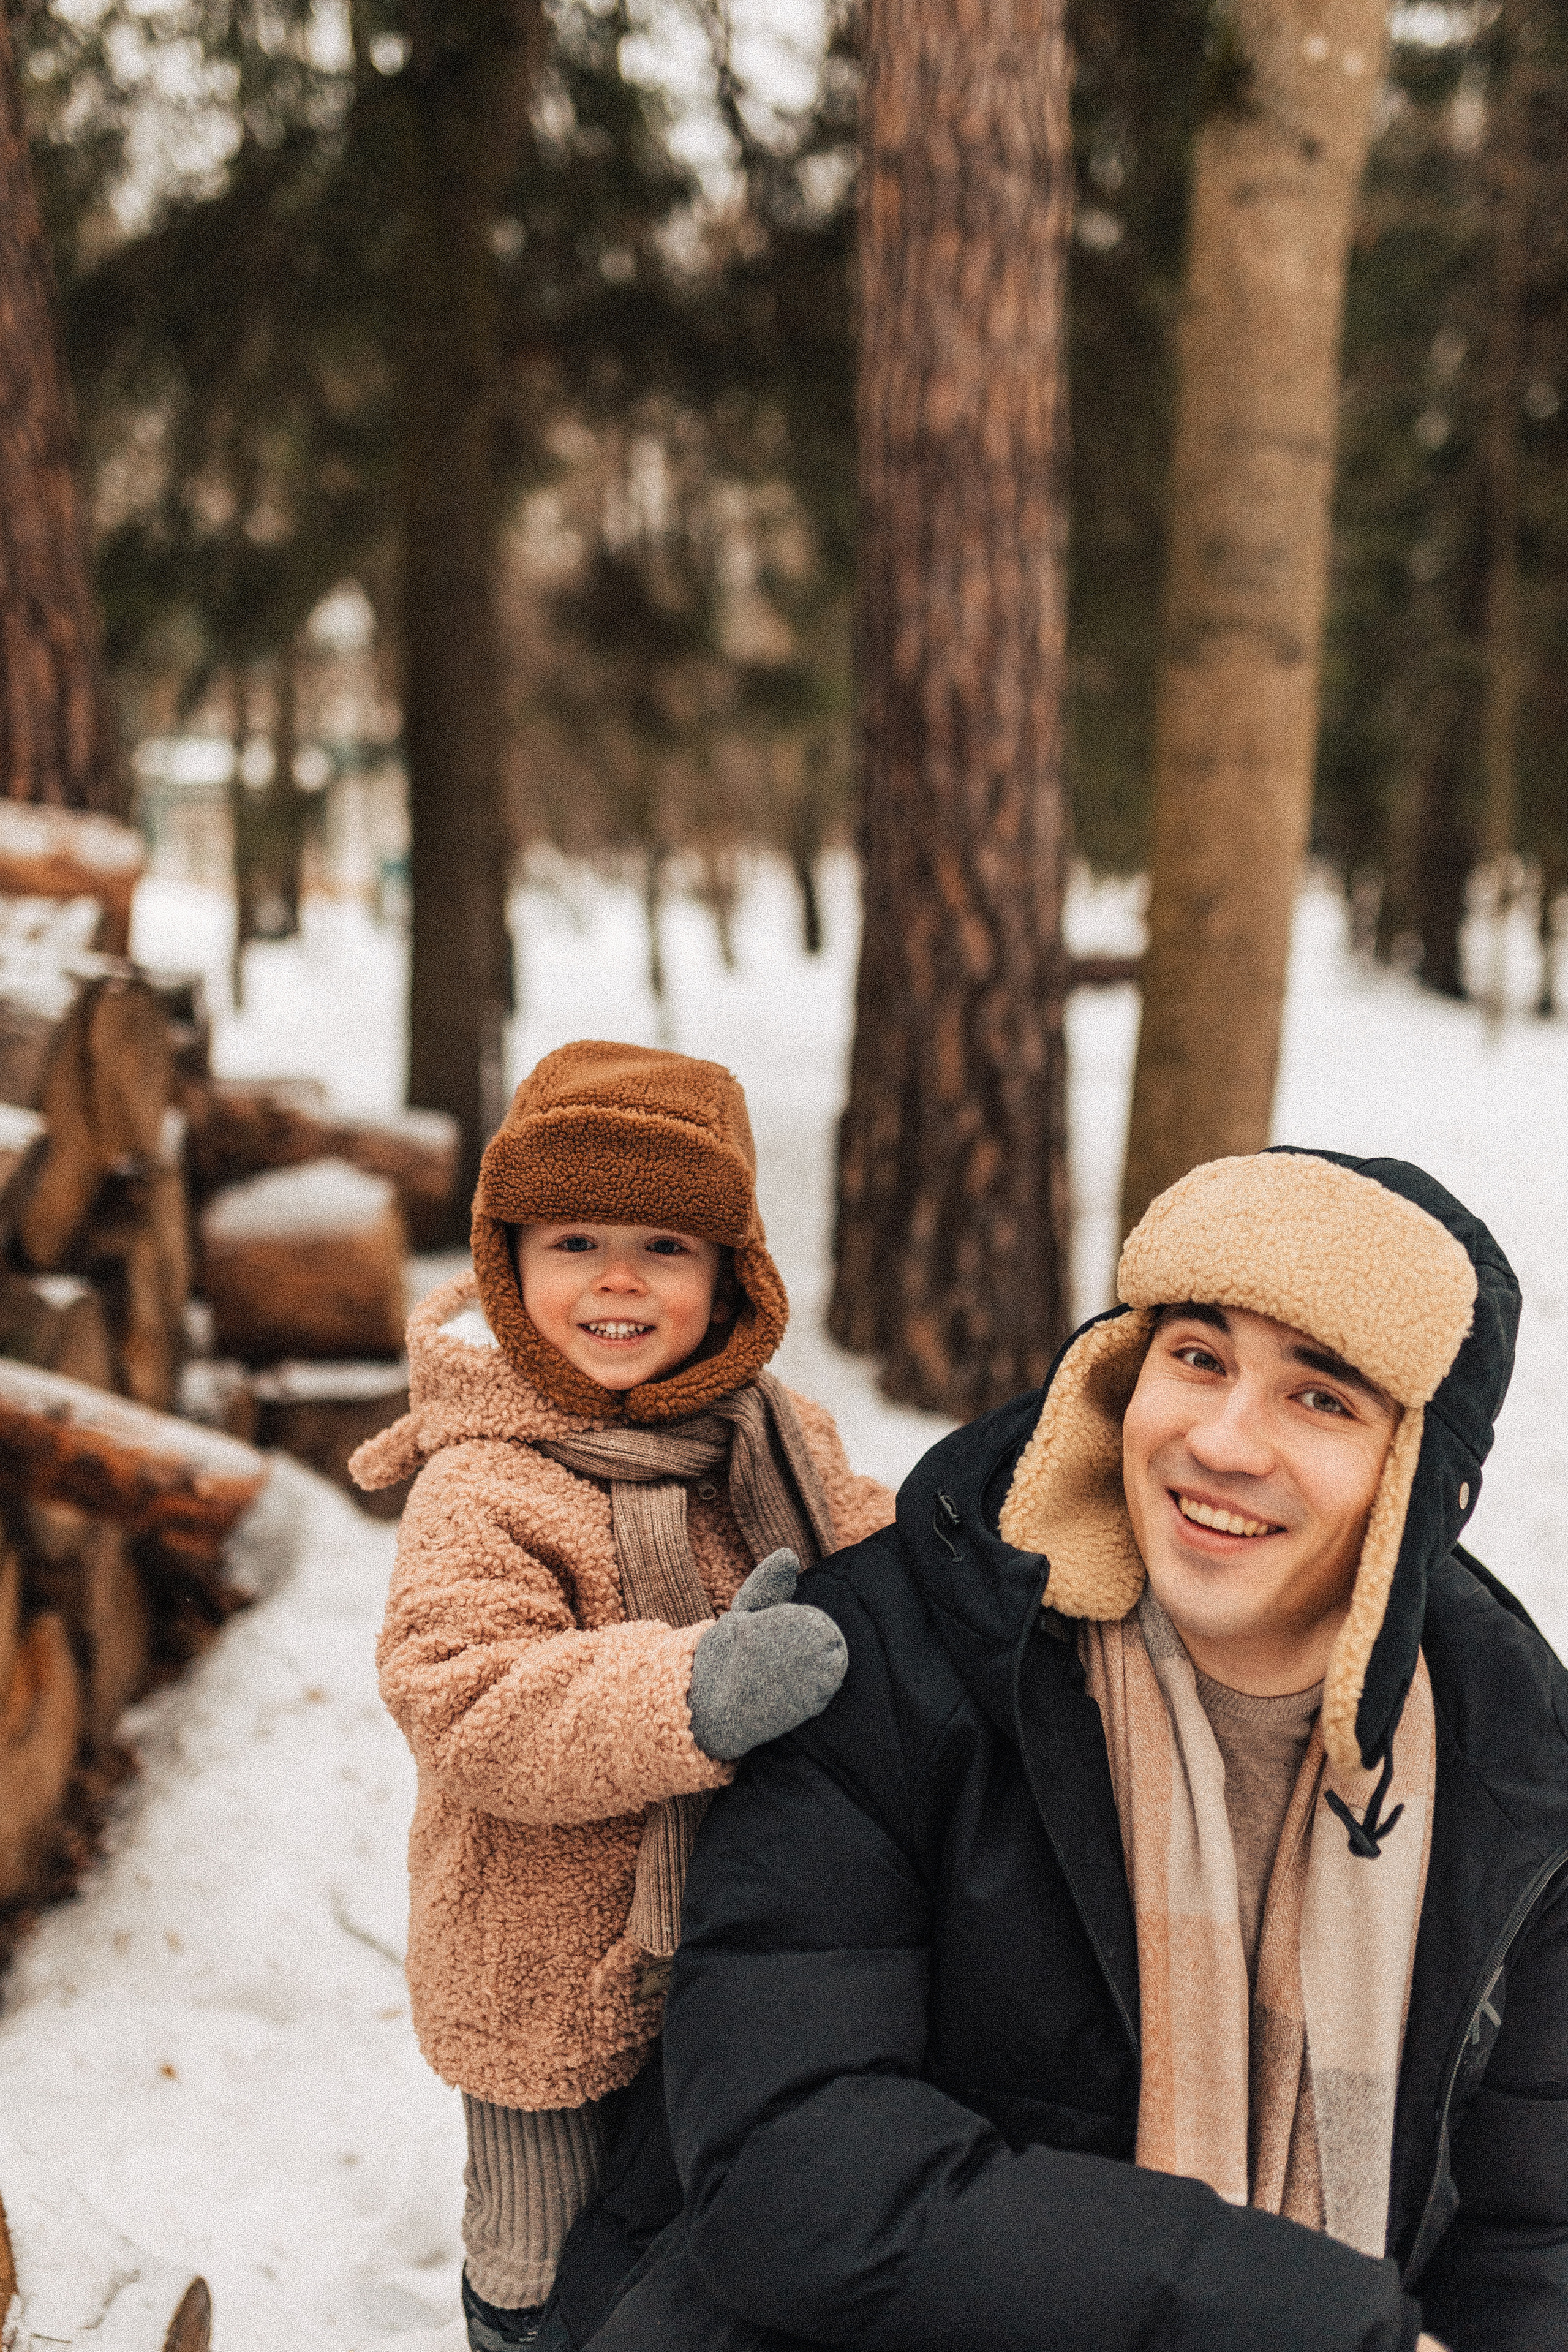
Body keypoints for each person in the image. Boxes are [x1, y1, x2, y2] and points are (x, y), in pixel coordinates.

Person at [595, 1147, 1568, 2352]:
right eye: (1197, 1358)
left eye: (1318, 1396)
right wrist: (1287, 2319)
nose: (1222, 1440)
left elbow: (1530, 2237)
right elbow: (793, 2171)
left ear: (1423, 1485)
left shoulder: (1512, 1766)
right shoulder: (892, 1655)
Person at [351, 1041, 893, 2351]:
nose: (615, 1281)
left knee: (714, 2234)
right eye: (573, 1240)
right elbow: (470, 1699)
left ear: (731, 1278)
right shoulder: (486, 1480)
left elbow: (876, 1573)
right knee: (545, 2259)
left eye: (665, 1246)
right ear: (508, 1259)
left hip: (753, 1933)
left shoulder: (777, 1441)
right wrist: (691, 1690)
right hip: (545, 1967)